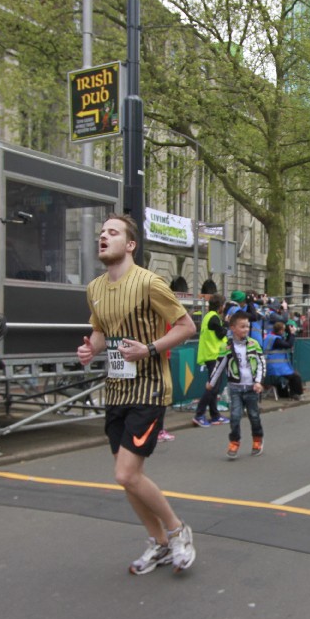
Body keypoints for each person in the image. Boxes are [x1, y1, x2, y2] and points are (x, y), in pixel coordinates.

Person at [76, 213, 199, 575]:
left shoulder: (149, 283)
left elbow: (186, 326)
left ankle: (177, 530)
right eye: (101, 232)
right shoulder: (94, 288)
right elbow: (101, 332)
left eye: (112, 232)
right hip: (116, 390)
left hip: (149, 389)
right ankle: (159, 543)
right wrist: (90, 349)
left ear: (130, 244)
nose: (103, 237)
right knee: (126, 477)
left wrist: (149, 348)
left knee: (126, 474)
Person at [207, 311, 266, 459]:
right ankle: (234, 442)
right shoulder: (226, 347)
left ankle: (257, 439)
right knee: (234, 416)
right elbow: (219, 366)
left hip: (251, 388)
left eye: (247, 326)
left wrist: (258, 382)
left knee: (254, 416)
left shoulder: (254, 344)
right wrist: (211, 382)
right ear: (233, 328)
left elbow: (261, 363)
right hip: (235, 388)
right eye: (242, 326)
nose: (246, 329)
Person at [193, 294, 230, 428]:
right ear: (220, 306)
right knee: (212, 387)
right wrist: (227, 324)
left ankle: (215, 415)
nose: (224, 307)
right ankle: (199, 414)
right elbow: (221, 334)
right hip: (214, 355)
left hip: (212, 355)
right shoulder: (214, 317)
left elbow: (217, 331)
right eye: (223, 305)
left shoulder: (209, 317)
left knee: (214, 387)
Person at [262, 319, 303, 400]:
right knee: (296, 376)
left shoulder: (270, 337)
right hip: (275, 369)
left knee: (290, 374)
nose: (285, 331)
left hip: (271, 367)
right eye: (284, 330)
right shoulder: (276, 340)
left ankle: (284, 394)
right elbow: (288, 345)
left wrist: (289, 334)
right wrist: (292, 334)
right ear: (280, 331)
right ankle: (296, 394)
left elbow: (285, 343)